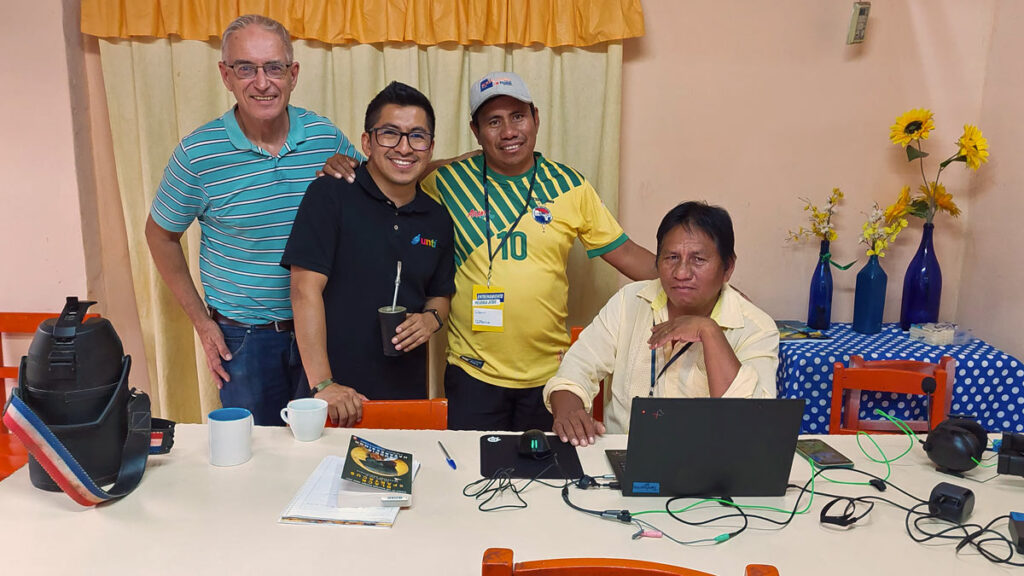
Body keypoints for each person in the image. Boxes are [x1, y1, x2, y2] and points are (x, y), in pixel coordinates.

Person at [145, 15, 361, 425]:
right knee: (255, 451)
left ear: (293, 74)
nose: (262, 83)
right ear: (226, 75)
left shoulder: (324, 137)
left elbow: (375, 190)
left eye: (274, 67)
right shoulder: (197, 155)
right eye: (246, 68)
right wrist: (203, 324)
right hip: (245, 341)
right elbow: (160, 236)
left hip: (322, 327)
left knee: (325, 445)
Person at [417, 72, 656, 431]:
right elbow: (394, 175)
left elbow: (627, 254)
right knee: (471, 466)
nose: (508, 131)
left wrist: (704, 286)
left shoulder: (568, 186)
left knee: (549, 466)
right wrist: (344, 165)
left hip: (552, 377)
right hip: (472, 373)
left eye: (518, 116)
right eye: (493, 122)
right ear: (475, 131)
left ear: (536, 118)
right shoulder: (448, 181)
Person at [282, 82, 455, 426]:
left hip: (405, 394)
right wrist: (324, 384)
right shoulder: (330, 195)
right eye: (390, 133)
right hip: (330, 393)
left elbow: (440, 295)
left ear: (430, 146)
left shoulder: (436, 218)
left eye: (417, 136)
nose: (404, 147)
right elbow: (303, 290)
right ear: (367, 142)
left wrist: (430, 319)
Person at [544, 201, 780, 446]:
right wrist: (570, 410)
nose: (681, 273)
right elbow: (576, 368)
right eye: (672, 257)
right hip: (624, 451)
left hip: (708, 459)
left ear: (728, 267)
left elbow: (751, 425)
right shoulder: (630, 301)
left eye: (698, 259)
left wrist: (709, 331)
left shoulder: (756, 327)